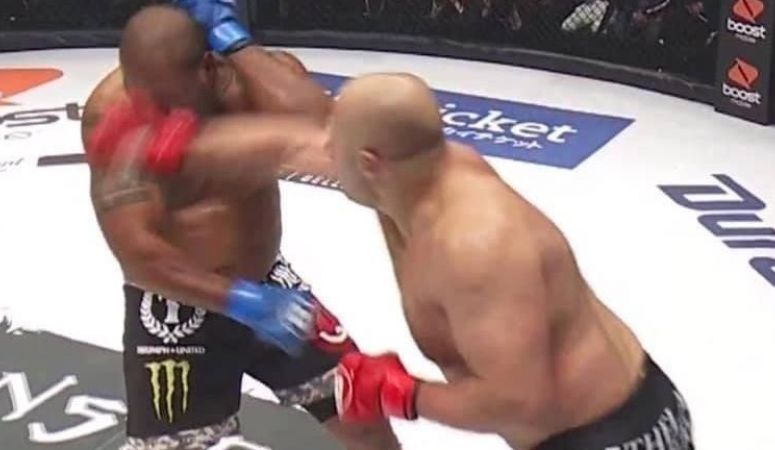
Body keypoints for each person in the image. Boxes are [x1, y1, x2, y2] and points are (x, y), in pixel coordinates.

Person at [87, 73, 695, 450]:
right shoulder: (419, 169)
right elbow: (286, 142)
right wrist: (157, 148)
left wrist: (401, 392)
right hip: (597, 420)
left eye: (335, 147)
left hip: (607, 436)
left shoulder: (474, 246)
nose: (321, 152)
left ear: (368, 162)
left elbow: (521, 401)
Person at [82, 4, 399, 450]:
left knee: (362, 411)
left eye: (171, 100)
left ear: (209, 68)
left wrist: (236, 41)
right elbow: (137, 251)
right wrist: (241, 302)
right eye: (147, 99)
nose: (158, 113)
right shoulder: (113, 114)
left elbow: (329, 132)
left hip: (269, 282)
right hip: (175, 307)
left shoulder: (255, 83)